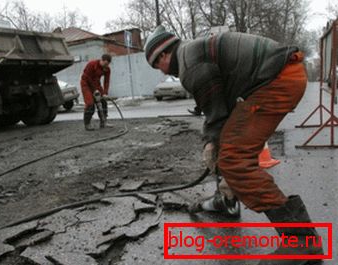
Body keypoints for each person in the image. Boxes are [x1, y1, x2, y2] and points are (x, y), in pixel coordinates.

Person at [144, 25, 323, 263]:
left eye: (157, 65)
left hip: (279, 80)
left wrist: (211, 143)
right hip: (281, 75)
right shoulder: (192, 53)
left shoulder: (189, 64)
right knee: (228, 147)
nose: (160, 70)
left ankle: (301, 240)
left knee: (233, 159)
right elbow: (221, 112)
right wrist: (213, 139)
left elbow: (217, 116)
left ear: (164, 54)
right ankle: (226, 199)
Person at [80, 54, 113, 130]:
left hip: (96, 84)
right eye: (105, 64)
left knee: (103, 101)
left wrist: (105, 93)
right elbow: (87, 78)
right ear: (101, 60)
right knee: (90, 104)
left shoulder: (107, 69)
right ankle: (87, 124)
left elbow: (106, 82)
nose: (105, 66)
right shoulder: (92, 64)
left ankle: (103, 122)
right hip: (86, 84)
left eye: (107, 65)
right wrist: (95, 90)